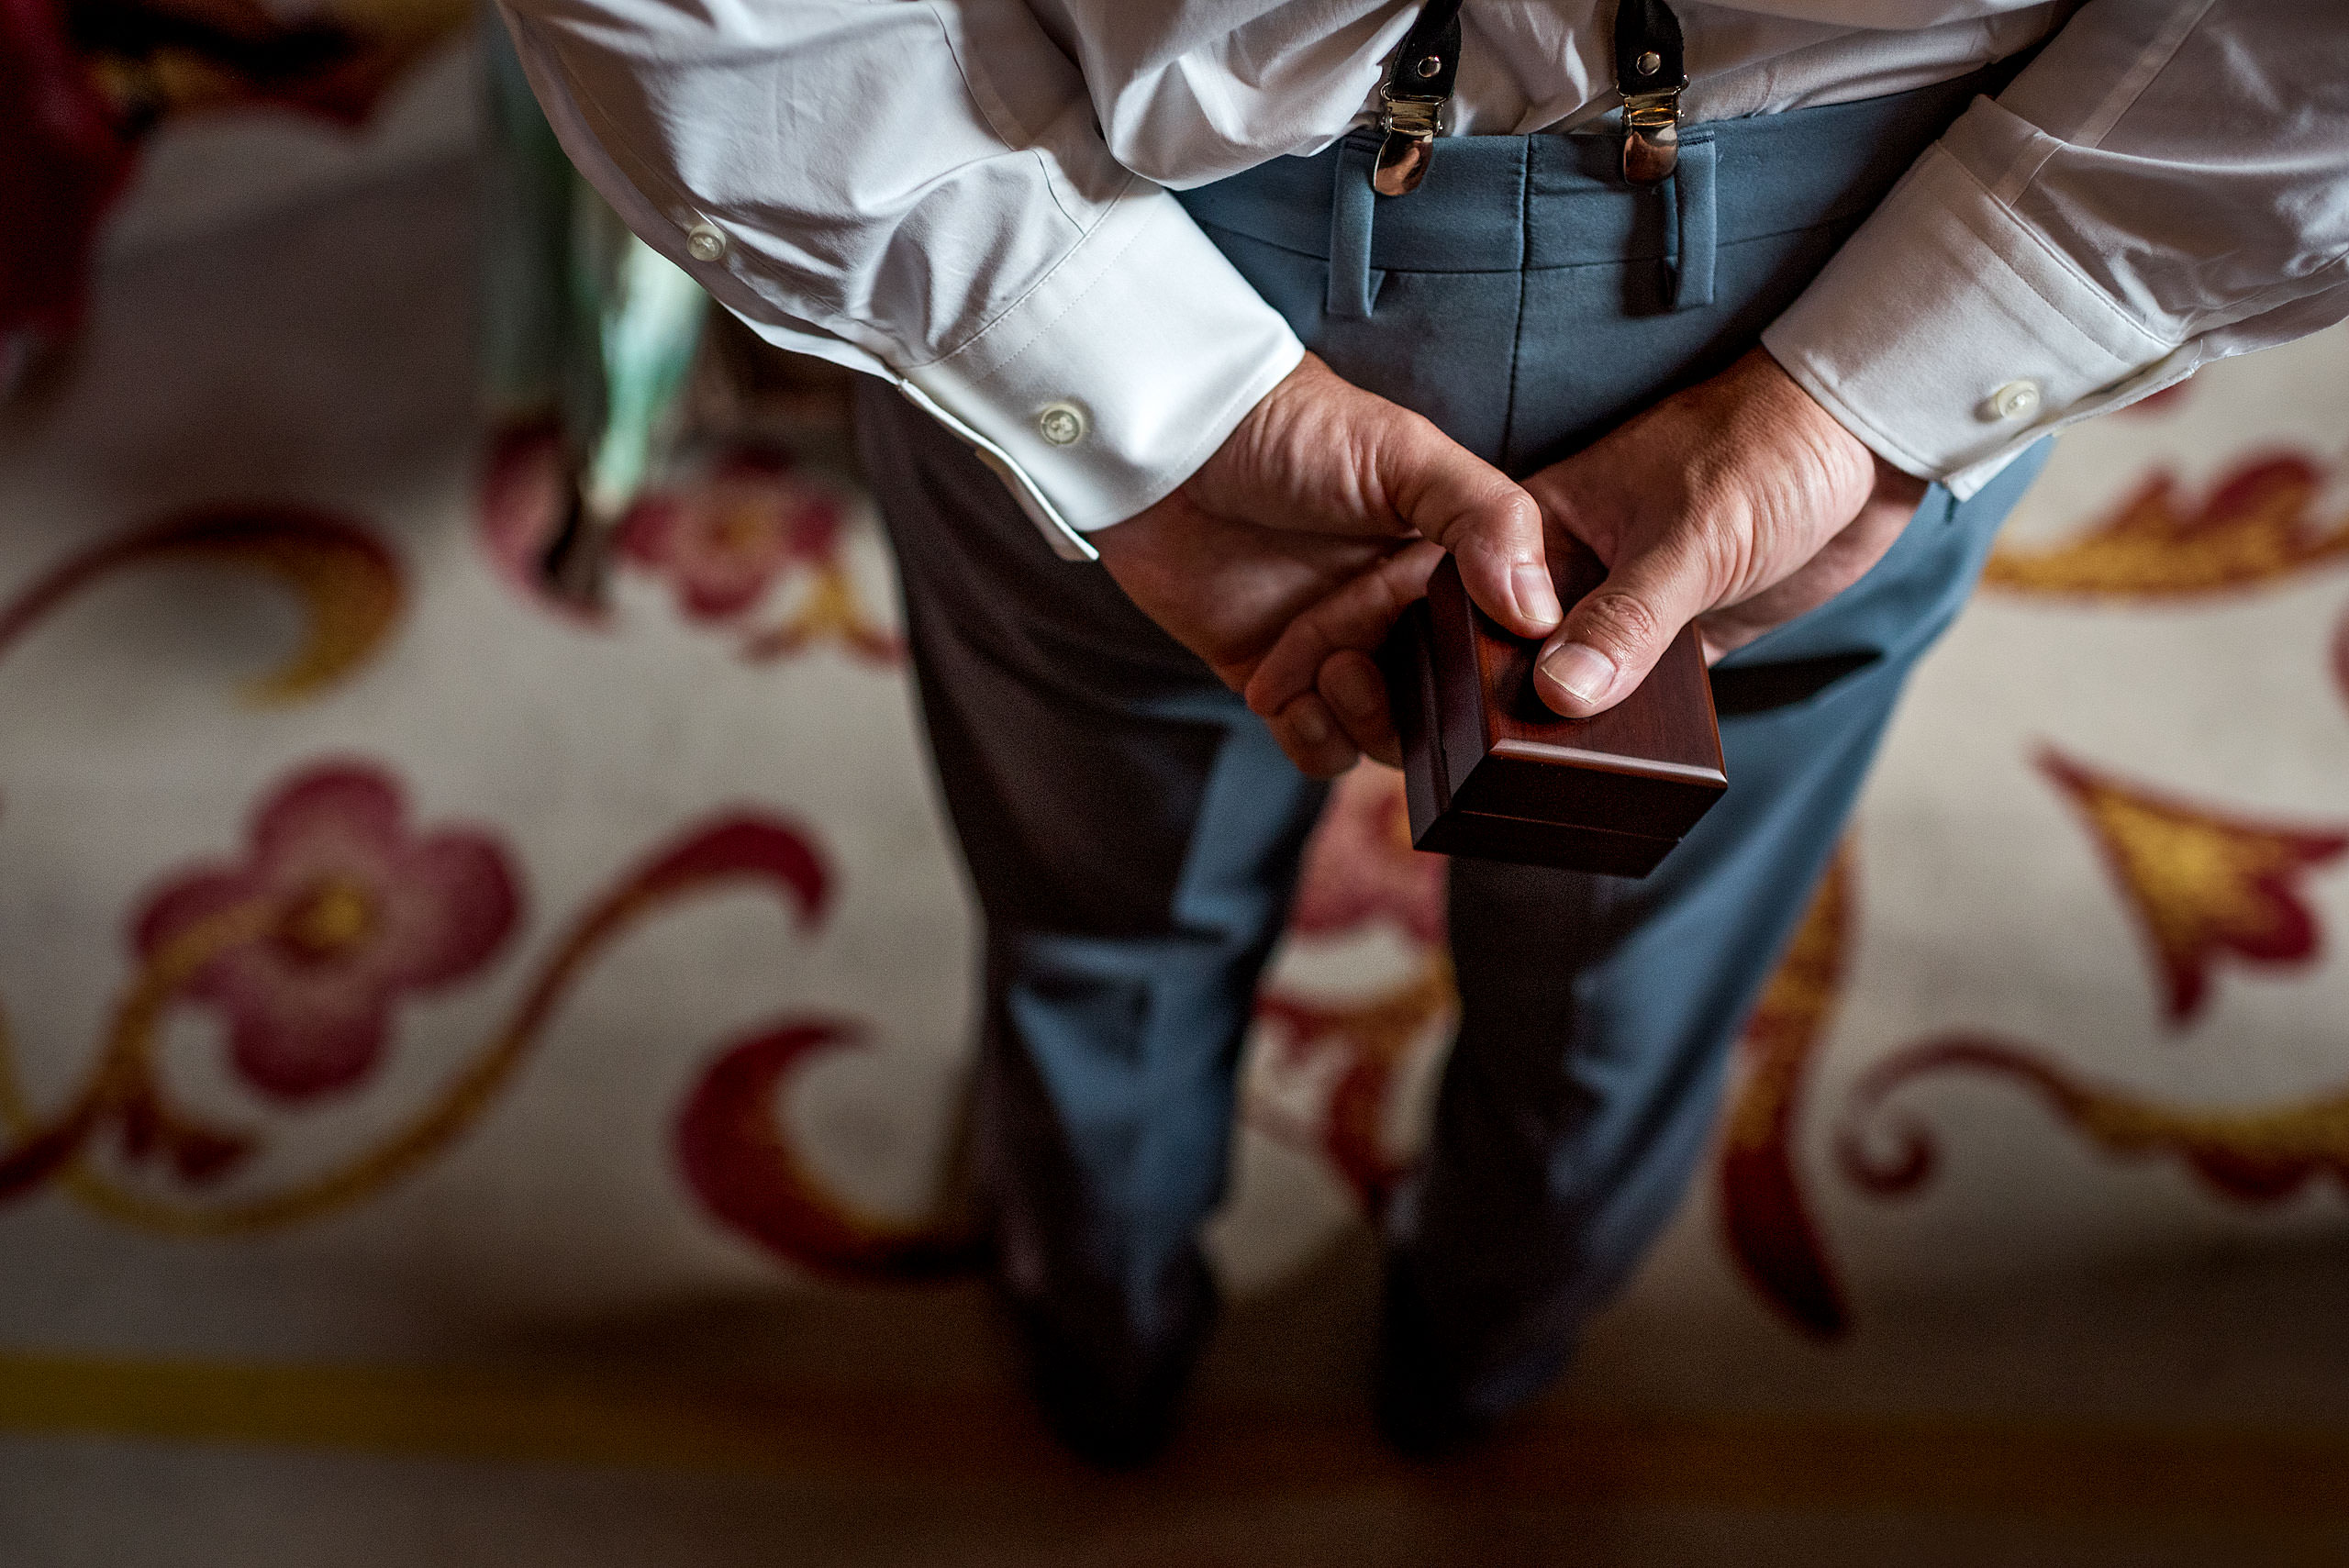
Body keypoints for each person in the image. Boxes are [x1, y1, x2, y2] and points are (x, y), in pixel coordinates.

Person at [491, 0, 2349, 1463]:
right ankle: (1488, 1347)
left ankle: (1099, 1324)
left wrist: (1051, 340)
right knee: (1633, 961)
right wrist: (1916, 369)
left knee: (1100, 890)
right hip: (1853, 215)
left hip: (1110, 174)